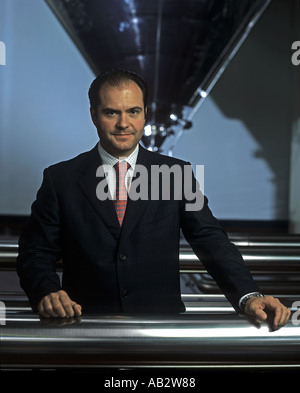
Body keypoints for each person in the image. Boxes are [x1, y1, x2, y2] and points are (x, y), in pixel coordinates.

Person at [17, 69, 290, 330]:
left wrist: (248, 296)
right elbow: (36, 252)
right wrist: (47, 291)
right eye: (111, 112)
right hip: (82, 329)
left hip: (159, 333)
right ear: (93, 115)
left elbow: (210, 239)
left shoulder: (176, 174)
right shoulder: (60, 179)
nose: (123, 123)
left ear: (145, 114)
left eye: (133, 111)